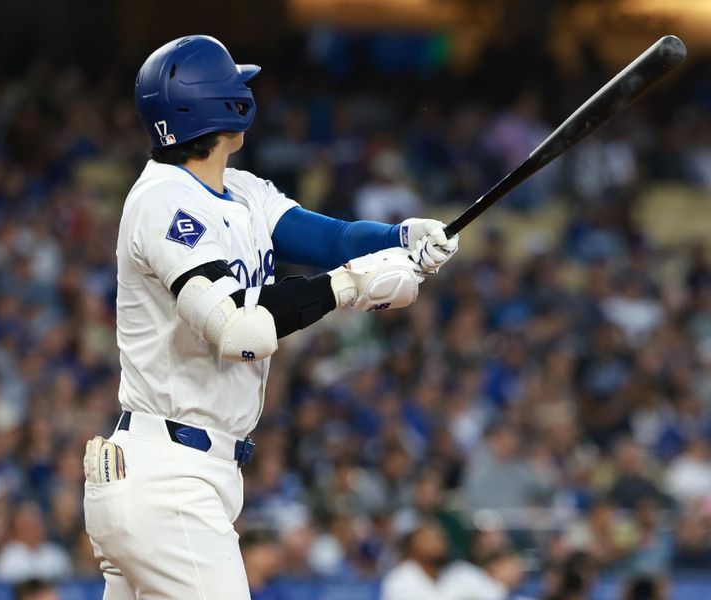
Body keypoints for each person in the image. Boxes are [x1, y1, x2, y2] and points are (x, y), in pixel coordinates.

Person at [82, 35, 459, 599]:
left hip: (180, 474)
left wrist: (402, 237)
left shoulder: (239, 189)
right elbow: (242, 331)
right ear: (219, 106)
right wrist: (353, 286)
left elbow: (328, 238)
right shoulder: (163, 199)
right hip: (169, 478)